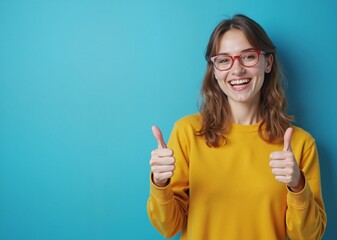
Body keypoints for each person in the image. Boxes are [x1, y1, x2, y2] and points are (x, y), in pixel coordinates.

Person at [147, 14, 327, 240]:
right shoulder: (187, 133)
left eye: (248, 57)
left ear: (268, 62)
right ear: (214, 70)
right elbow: (168, 227)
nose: (237, 70)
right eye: (224, 60)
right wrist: (160, 182)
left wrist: (297, 184)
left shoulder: (301, 144)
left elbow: (309, 236)